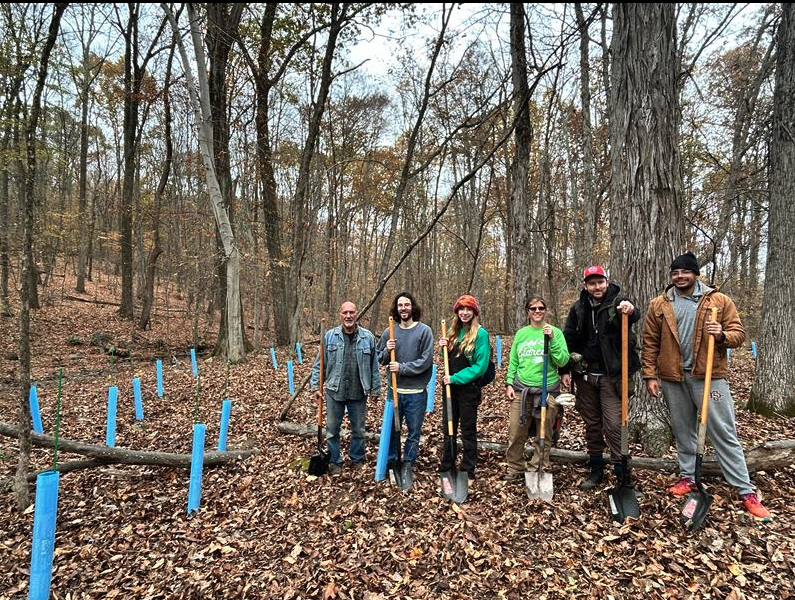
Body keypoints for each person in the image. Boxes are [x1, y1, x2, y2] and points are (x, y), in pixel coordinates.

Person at [642, 252, 771, 520]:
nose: (680, 276)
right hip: (673, 377)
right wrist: (650, 375)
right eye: (675, 272)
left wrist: (722, 335)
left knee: (723, 431)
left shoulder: (718, 301)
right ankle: (688, 477)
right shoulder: (660, 304)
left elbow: (739, 334)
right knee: (683, 430)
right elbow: (650, 341)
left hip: (709, 376)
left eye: (685, 272)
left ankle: (745, 489)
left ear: (695, 274)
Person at [561, 266, 640, 490]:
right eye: (592, 283)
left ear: (607, 282)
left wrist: (630, 310)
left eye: (600, 282)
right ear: (585, 285)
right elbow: (568, 338)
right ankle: (596, 470)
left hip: (611, 376)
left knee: (614, 425)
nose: (597, 287)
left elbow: (634, 314)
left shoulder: (618, 302)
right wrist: (565, 370)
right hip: (585, 375)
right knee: (592, 424)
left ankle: (623, 474)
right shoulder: (578, 308)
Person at [310, 301, 381, 475]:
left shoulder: (368, 338)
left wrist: (375, 389)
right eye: (345, 313)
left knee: (359, 429)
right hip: (334, 391)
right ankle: (334, 460)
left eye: (351, 312)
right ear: (340, 315)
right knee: (332, 429)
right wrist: (315, 386)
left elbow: (374, 366)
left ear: (356, 314)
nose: (348, 316)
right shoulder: (330, 337)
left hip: (359, 391)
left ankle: (357, 458)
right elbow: (320, 364)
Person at [504, 296, 569, 481]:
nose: (537, 311)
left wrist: (552, 339)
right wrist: (509, 383)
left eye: (541, 308)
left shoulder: (555, 332)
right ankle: (515, 467)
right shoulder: (521, 334)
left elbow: (562, 360)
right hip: (522, 389)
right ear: (528, 312)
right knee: (516, 431)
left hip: (547, 390)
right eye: (533, 308)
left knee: (544, 433)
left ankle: (537, 467)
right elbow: (514, 361)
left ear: (546, 310)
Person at [376, 292, 435, 477]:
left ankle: (409, 462)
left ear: (412, 307)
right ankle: (392, 461)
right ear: (396, 308)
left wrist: (401, 367)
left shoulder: (424, 331)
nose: (403, 308)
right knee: (393, 429)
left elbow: (425, 361)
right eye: (400, 305)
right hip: (394, 391)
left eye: (407, 305)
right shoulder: (389, 332)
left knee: (413, 432)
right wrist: (388, 350)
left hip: (416, 392)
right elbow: (380, 358)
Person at [438, 294, 490, 480]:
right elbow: (444, 359)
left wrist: (455, 378)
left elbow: (480, 367)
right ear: (457, 312)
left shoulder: (481, 334)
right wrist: (442, 347)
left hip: (468, 388)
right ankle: (448, 463)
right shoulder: (452, 332)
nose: (465, 313)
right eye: (462, 309)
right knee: (449, 427)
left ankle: (468, 467)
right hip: (450, 388)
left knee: (467, 429)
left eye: (469, 309)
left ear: (474, 312)